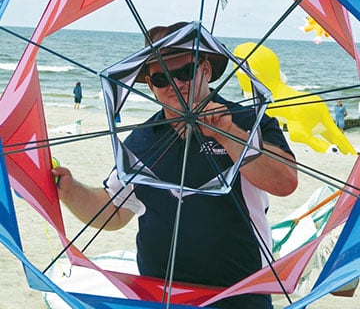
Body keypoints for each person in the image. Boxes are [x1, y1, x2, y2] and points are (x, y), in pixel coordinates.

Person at [53, 22, 298, 308]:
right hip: (161, 296)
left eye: (185, 72)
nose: (176, 84)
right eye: (162, 78)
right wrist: (70, 190)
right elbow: (113, 211)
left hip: (240, 295)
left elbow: (285, 182)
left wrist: (228, 134)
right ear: (151, 84)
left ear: (205, 68)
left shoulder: (249, 120)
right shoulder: (141, 140)